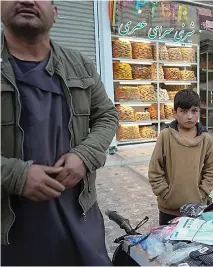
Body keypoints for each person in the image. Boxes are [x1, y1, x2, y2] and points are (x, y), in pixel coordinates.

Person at [1, 1, 118, 265]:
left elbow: (106, 116)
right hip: (10, 231)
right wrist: (16, 175)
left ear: (55, 13)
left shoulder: (80, 66)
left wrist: (84, 156)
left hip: (79, 215)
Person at [148, 89, 213, 225]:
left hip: (196, 207)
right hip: (169, 209)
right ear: (175, 113)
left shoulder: (206, 139)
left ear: (199, 111)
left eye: (194, 111)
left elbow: (211, 168)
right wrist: (164, 193)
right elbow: (155, 168)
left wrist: (203, 192)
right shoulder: (165, 136)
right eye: (184, 111)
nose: (190, 116)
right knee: (168, 244)